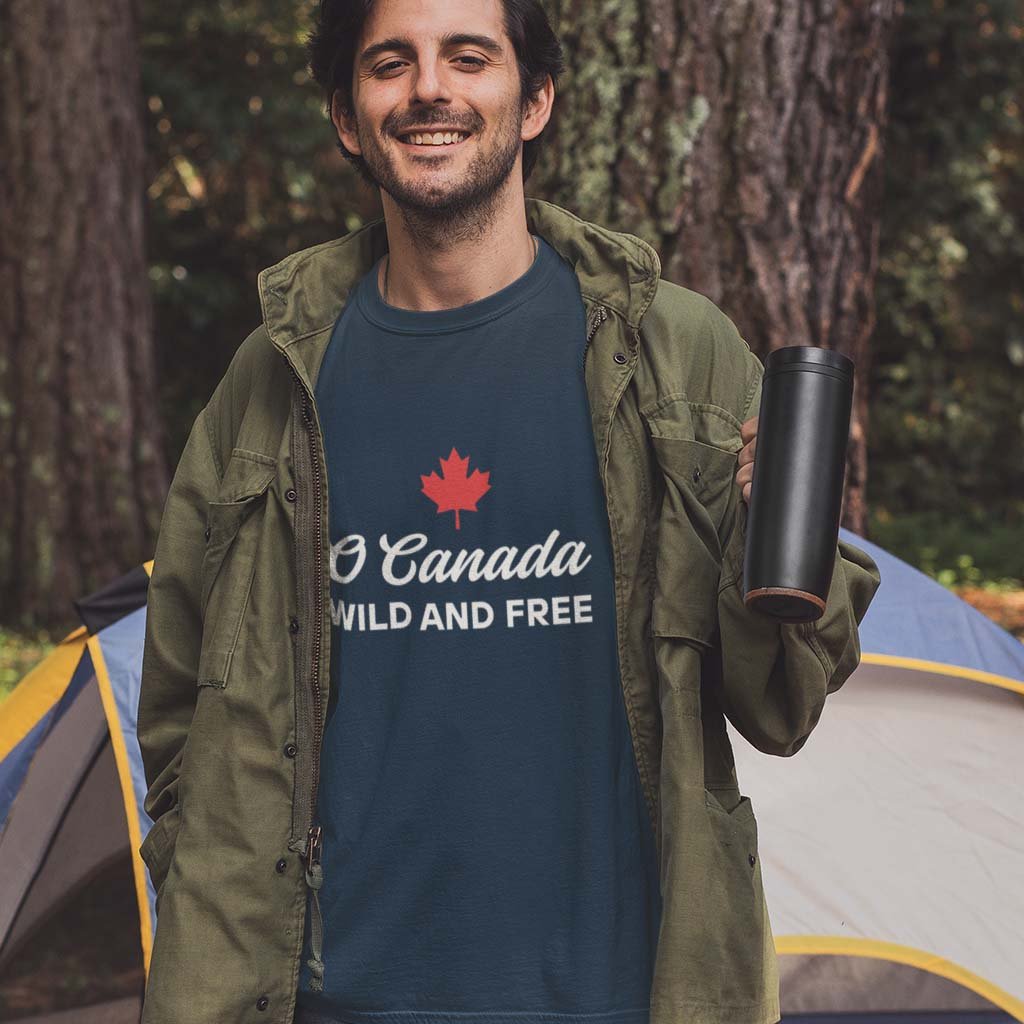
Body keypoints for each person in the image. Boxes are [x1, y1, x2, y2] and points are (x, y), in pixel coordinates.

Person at [136, 1, 882, 1022]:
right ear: (350, 118)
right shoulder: (273, 379)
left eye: (468, 57)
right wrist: (199, 882)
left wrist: (773, 543)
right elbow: (179, 691)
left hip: (613, 992)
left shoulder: (676, 356)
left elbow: (783, 702)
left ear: (533, 101)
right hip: (330, 997)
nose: (429, 89)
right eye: (389, 63)